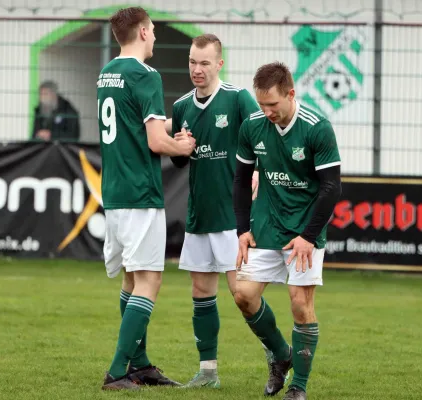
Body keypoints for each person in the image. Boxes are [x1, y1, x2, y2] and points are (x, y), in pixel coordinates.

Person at [96, 6, 195, 391]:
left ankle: (139, 364)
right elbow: (155, 141)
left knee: (133, 278)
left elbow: (137, 124)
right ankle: (118, 371)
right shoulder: (146, 75)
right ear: (141, 32)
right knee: (150, 281)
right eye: (152, 30)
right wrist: (182, 147)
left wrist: (175, 128)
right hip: (140, 191)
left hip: (115, 191)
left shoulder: (108, 72)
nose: (154, 36)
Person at [232, 61, 342, 400]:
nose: (266, 112)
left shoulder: (316, 127)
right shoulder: (252, 126)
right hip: (266, 225)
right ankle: (281, 356)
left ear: (291, 94)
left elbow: (331, 187)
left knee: (300, 304)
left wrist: (308, 237)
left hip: (305, 231)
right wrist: (242, 230)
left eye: (273, 105)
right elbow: (240, 179)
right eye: (262, 104)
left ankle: (298, 387)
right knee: (244, 296)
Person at [166, 33, 260, 388]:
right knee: (201, 294)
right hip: (199, 215)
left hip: (232, 217)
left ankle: (277, 352)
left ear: (219, 63)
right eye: (192, 61)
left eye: (204, 63)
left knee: (244, 297)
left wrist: (260, 174)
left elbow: (262, 137)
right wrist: (180, 148)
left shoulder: (237, 99)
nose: (197, 69)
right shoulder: (181, 107)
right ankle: (208, 372)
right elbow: (177, 163)